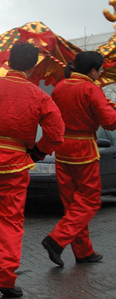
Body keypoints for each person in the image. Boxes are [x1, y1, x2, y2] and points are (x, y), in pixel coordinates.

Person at [0, 42, 64, 298]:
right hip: (16, 161)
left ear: (8, 61)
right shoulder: (39, 95)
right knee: (10, 219)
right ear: (33, 68)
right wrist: (39, 151)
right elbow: (56, 132)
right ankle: (5, 276)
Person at [42, 51, 116, 267]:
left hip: (63, 149)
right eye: (100, 69)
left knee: (73, 203)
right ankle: (56, 239)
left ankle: (83, 251)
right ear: (92, 70)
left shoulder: (61, 87)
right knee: (90, 200)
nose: (101, 73)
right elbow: (110, 122)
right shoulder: (91, 89)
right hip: (83, 150)